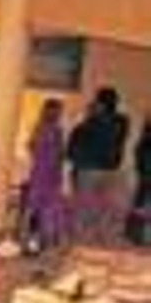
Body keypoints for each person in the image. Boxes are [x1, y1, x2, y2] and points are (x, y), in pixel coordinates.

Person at [65, 87, 130, 242]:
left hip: (92, 169)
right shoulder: (121, 121)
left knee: (88, 209)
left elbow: (73, 149)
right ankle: (96, 240)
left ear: (100, 104)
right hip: (106, 169)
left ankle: (85, 240)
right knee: (102, 209)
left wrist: (90, 117)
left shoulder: (93, 123)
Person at [22, 98, 67, 253]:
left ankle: (40, 242)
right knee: (39, 208)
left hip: (47, 173)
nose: (58, 114)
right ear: (48, 111)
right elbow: (34, 148)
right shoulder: (45, 128)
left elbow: (58, 154)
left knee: (47, 208)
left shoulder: (50, 129)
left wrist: (57, 171)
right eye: (56, 111)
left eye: (59, 111)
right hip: (43, 173)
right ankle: (35, 242)